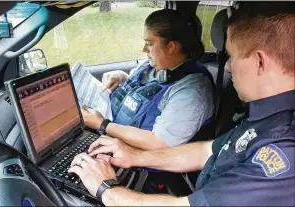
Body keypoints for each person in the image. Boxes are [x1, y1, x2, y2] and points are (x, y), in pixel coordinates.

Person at [69, 2, 295, 206]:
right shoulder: (265, 116)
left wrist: (105, 188)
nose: (227, 67)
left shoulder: (283, 150)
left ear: (259, 61)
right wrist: (133, 155)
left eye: (232, 57)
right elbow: (206, 150)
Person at [82, 9, 214, 150]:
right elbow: (147, 92)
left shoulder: (192, 92)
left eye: (149, 43)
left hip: (136, 163)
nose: (144, 49)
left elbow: (159, 143)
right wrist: (122, 77)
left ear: (170, 47)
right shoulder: (153, 65)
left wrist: (102, 124)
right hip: (108, 139)